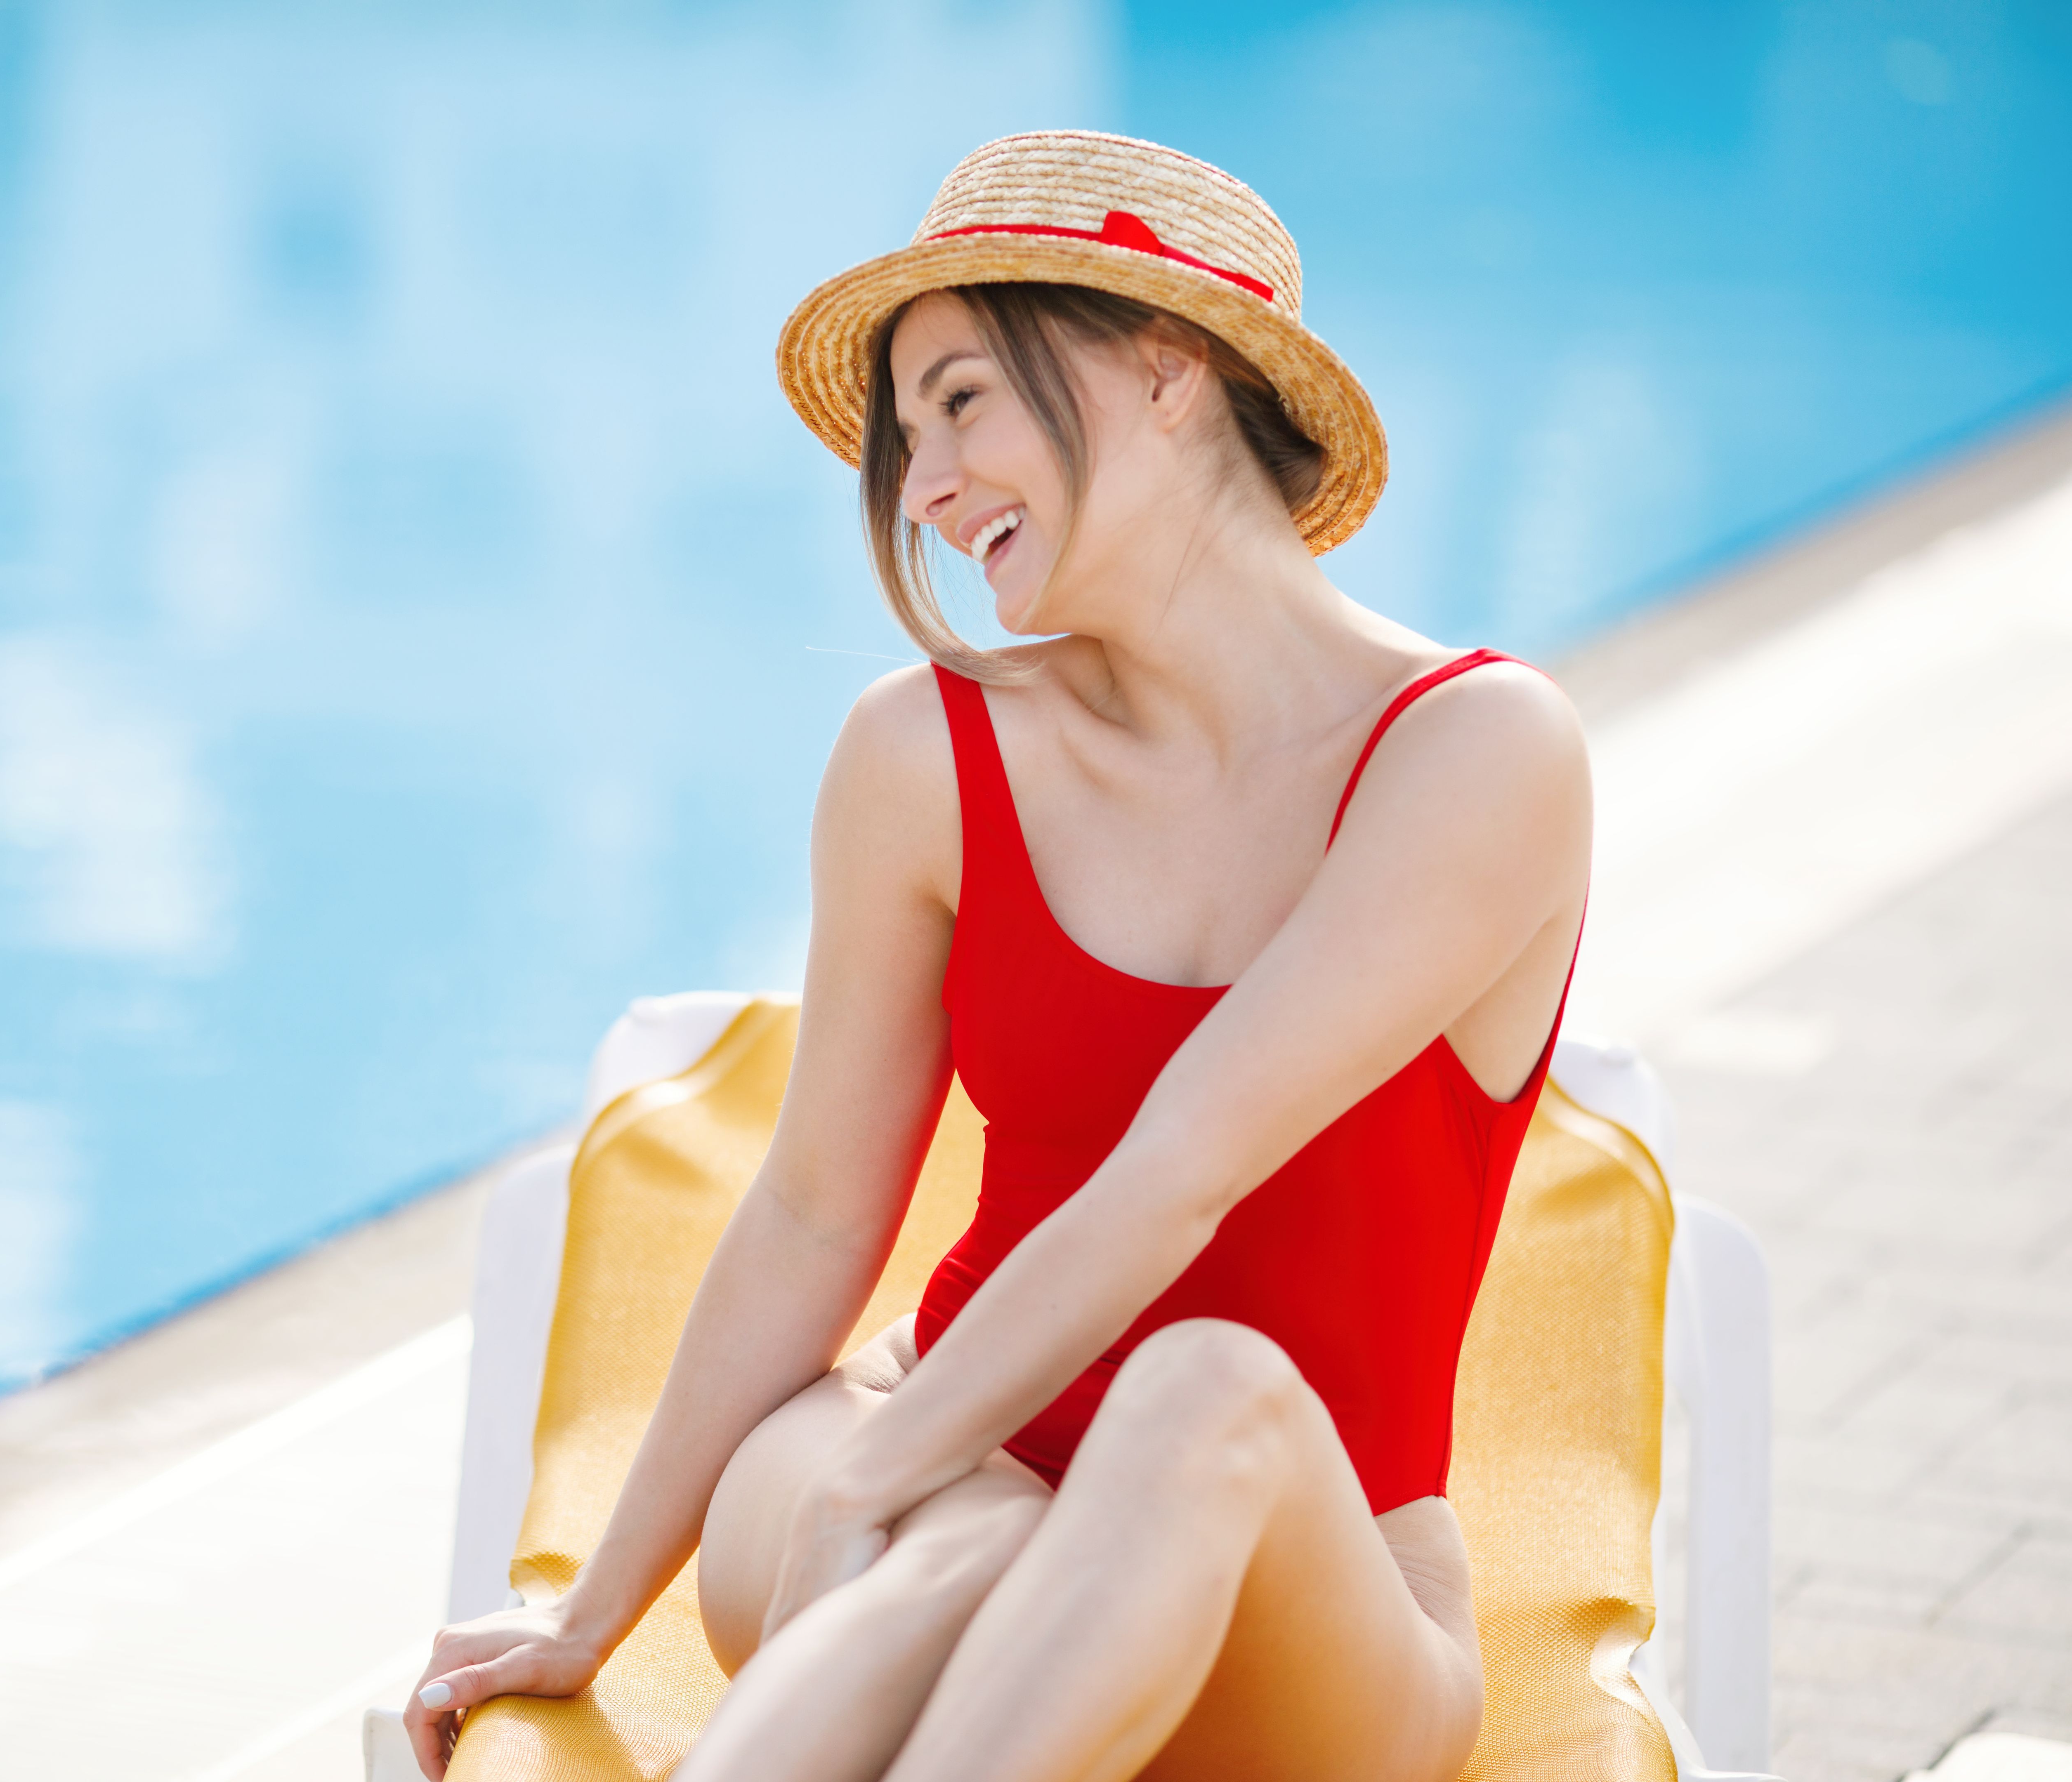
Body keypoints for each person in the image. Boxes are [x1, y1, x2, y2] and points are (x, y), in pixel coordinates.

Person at [404, 130, 1591, 1782]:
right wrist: (597, 1607)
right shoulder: (920, 757)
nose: (931, 485)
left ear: (1169, 370)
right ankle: (927, 1529)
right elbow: (819, 1208)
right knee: (970, 1542)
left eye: (962, 399)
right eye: (908, 437)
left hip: (1293, 1574)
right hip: (912, 1455)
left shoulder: (1479, 754)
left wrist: (875, 1498)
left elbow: (1177, 1172)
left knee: (1199, 1392)